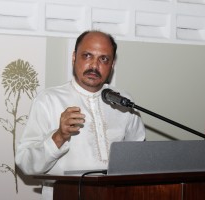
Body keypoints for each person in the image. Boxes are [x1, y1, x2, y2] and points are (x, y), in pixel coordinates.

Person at [15, 30, 146, 199]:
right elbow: (26, 163)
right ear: (74, 57)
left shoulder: (123, 101)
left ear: (112, 65)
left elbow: (140, 158)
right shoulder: (48, 100)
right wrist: (59, 136)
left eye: (103, 59)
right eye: (87, 56)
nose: (94, 65)